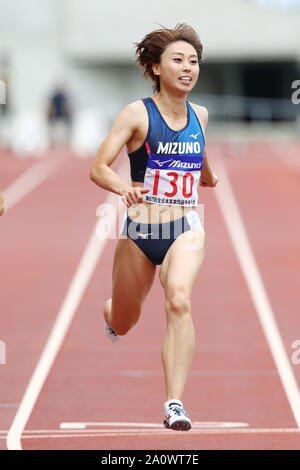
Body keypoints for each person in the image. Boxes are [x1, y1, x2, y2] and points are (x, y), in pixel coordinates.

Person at [90, 23, 218, 432]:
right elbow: (98, 167)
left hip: (185, 225)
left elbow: (197, 157)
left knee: (178, 299)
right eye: (178, 60)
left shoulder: (200, 114)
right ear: (156, 67)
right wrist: (122, 187)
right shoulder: (136, 114)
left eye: (193, 61)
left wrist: (209, 176)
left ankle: (174, 404)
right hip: (139, 233)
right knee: (125, 320)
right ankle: (112, 315)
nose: (187, 68)